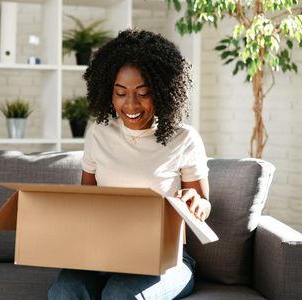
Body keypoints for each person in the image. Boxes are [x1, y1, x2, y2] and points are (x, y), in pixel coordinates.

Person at [48, 28, 210, 300]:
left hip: (165, 259)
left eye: (143, 92)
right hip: (104, 254)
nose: (131, 104)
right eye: (120, 92)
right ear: (108, 93)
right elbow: (86, 202)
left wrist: (195, 201)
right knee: (65, 291)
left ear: (161, 91)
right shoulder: (99, 134)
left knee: (120, 295)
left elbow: (203, 206)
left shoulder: (184, 138)